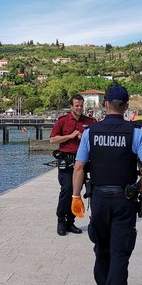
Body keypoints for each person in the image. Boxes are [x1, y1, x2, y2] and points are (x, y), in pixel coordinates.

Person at [71, 85, 142, 285]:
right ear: (126, 106)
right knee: (120, 252)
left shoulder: (91, 132)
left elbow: (79, 166)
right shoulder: (135, 132)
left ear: (105, 104)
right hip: (124, 199)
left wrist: (75, 196)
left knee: (101, 248)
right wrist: (138, 187)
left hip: (99, 199)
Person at [50, 94, 96, 236]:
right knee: (67, 189)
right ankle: (61, 220)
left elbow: (95, 139)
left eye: (81, 105)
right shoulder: (62, 121)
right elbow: (52, 139)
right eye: (76, 105)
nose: (79, 108)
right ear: (71, 106)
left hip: (81, 162)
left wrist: (86, 138)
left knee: (76, 191)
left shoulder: (89, 122)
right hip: (66, 160)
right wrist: (70, 136)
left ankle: (71, 221)